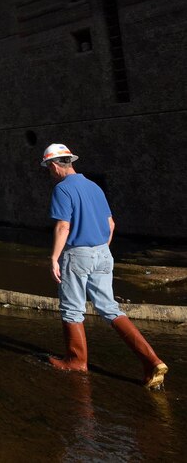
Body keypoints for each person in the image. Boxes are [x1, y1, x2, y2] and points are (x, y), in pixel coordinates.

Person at [42, 143, 167, 389]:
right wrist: (101, 250)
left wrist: (54, 258)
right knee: (110, 308)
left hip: (78, 254)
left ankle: (76, 361)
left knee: (72, 309)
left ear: (55, 165)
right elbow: (110, 224)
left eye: (48, 168)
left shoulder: (62, 190)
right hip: (103, 253)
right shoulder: (94, 187)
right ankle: (152, 360)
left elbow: (63, 227)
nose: (49, 172)